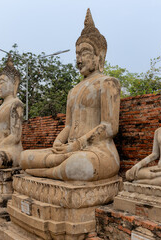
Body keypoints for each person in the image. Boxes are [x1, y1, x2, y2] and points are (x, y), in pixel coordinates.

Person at [19, 9, 121, 181]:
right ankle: (56, 169)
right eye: (77, 54)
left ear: (100, 56)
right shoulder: (73, 91)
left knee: (79, 165)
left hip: (98, 152)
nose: (79, 59)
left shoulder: (108, 83)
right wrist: (59, 142)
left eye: (85, 53)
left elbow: (109, 127)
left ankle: (46, 172)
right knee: (24, 157)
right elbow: (68, 126)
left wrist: (75, 146)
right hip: (69, 150)